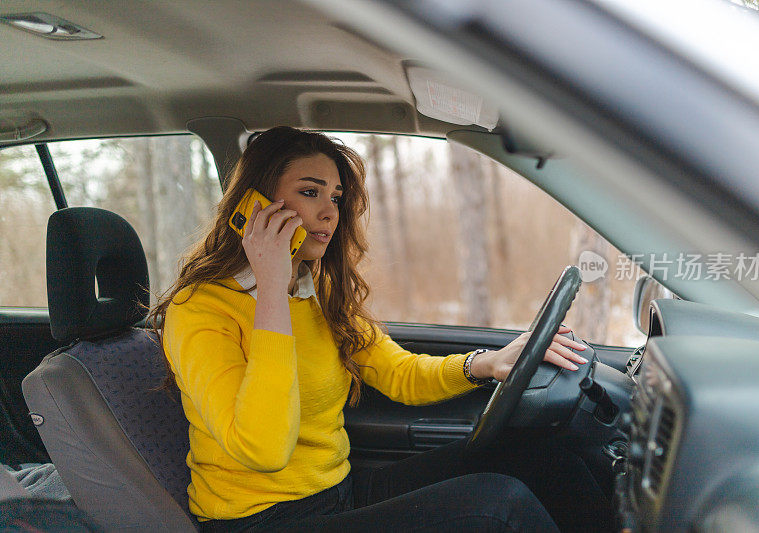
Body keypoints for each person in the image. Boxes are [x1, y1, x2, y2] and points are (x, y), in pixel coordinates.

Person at [148, 126, 589, 532]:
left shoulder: (316, 289)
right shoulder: (201, 310)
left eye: (336, 198)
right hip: (259, 521)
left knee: (535, 459)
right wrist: (269, 288)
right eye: (310, 192)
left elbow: (398, 372)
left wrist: (485, 364)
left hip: (338, 495)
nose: (329, 213)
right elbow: (263, 449)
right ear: (255, 206)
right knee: (499, 504)